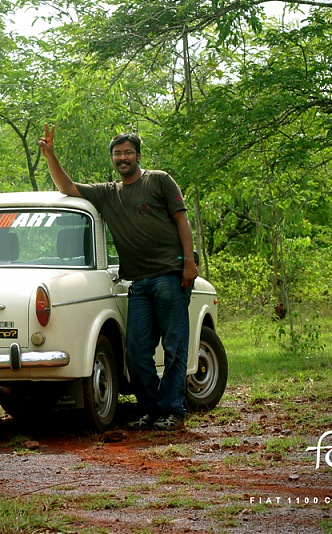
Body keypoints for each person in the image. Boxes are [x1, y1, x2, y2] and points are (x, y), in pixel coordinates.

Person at [38, 124, 198, 431]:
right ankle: (150, 409)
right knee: (137, 351)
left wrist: (188, 262)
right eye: (117, 154)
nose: (122, 158)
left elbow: (182, 220)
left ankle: (173, 412)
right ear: (112, 159)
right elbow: (66, 187)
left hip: (169, 277)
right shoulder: (109, 194)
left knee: (175, 348)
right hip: (137, 282)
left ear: (138, 155)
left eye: (127, 152)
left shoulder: (159, 180)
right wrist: (50, 155)